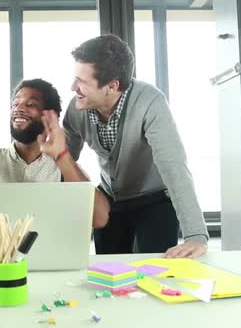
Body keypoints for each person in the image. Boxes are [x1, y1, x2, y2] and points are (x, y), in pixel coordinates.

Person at [63, 34, 208, 258]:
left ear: (111, 86)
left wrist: (196, 236)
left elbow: (174, 166)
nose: (73, 87)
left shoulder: (150, 102)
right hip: (110, 200)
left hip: (155, 200)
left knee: (157, 270)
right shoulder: (77, 109)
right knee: (110, 274)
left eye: (82, 81)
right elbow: (63, 163)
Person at [0, 78, 110, 228]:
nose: (18, 108)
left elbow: (99, 218)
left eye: (31, 104)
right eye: (15, 104)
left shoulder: (65, 171)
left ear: (50, 116)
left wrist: (61, 156)